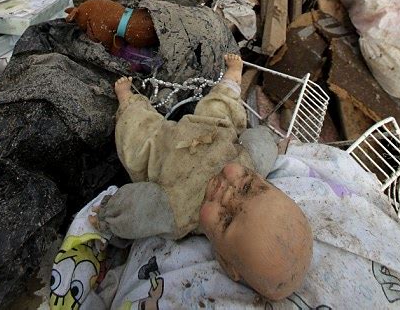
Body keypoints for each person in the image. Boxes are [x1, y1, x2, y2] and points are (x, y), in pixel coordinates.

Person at [90, 54, 313, 301]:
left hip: (164, 147)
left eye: (226, 219)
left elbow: (136, 211)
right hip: (210, 126)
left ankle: (128, 101)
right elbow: (262, 144)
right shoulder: (251, 162)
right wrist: (273, 143)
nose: (227, 190)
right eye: (247, 187)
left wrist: (108, 217)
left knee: (137, 143)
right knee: (224, 104)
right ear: (266, 181)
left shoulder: (180, 212)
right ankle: (232, 76)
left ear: (225, 261)